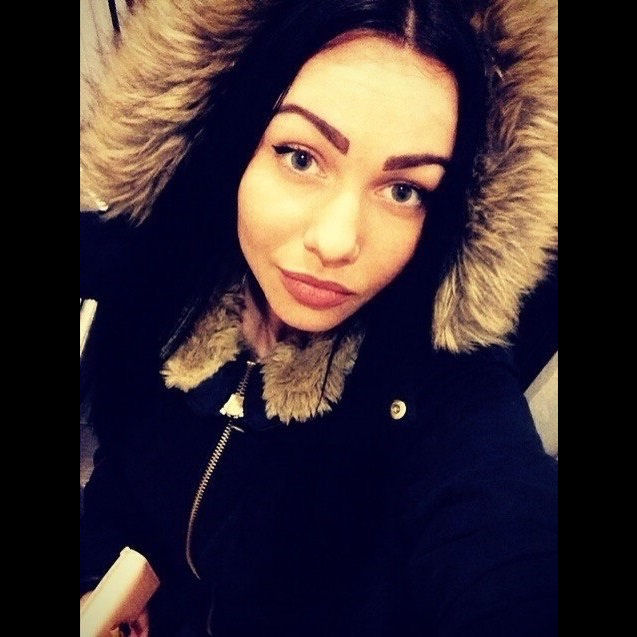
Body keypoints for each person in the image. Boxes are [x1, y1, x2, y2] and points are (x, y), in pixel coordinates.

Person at [80, 0, 558, 635]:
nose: (336, 242)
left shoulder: (442, 392)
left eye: (404, 190)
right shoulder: (160, 285)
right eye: (301, 157)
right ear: (234, 138)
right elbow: (121, 480)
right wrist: (102, 578)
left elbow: (505, 551)